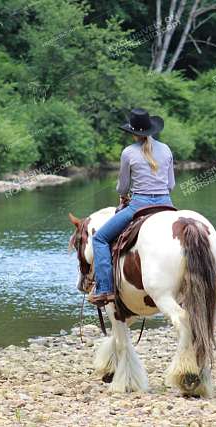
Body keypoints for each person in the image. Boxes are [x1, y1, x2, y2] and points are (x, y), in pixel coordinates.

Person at [88, 108, 175, 306]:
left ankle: (105, 289)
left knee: (100, 238)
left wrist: (123, 194)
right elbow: (171, 185)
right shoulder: (166, 149)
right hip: (166, 205)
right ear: (152, 130)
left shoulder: (128, 153)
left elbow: (123, 186)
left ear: (134, 133)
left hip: (138, 206)